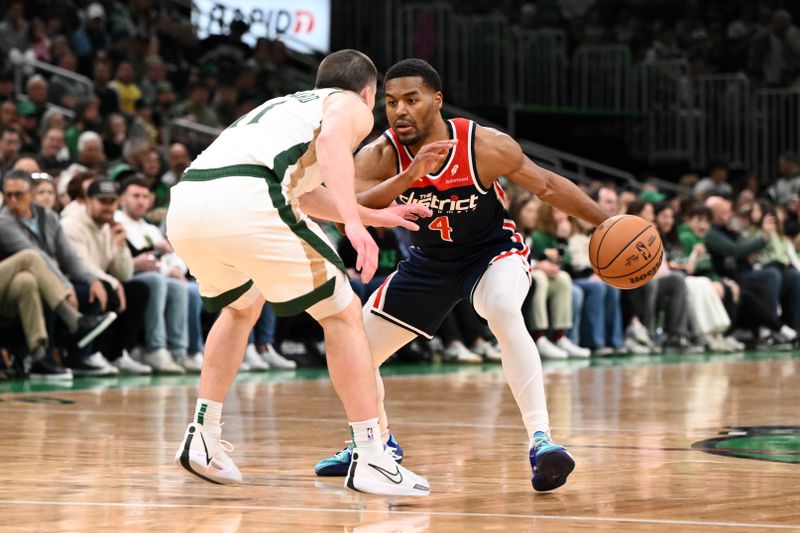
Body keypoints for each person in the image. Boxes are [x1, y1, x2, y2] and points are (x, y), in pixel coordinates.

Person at [313, 58, 608, 492]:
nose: (399, 111)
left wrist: (607, 223)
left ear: (437, 100)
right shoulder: (380, 153)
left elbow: (546, 186)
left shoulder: (482, 146)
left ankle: (541, 440)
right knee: (352, 352)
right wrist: (409, 176)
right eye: (391, 102)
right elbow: (346, 215)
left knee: (505, 309)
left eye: (411, 100)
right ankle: (376, 444)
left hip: (491, 253)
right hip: (429, 265)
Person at [166, 49, 432, 496]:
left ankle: (203, 435)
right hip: (247, 198)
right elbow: (330, 148)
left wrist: (373, 216)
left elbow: (303, 194)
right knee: (343, 313)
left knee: (238, 308)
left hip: (190, 202)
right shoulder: (348, 105)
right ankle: (371, 454)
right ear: (367, 93)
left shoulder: (285, 109)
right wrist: (351, 223)